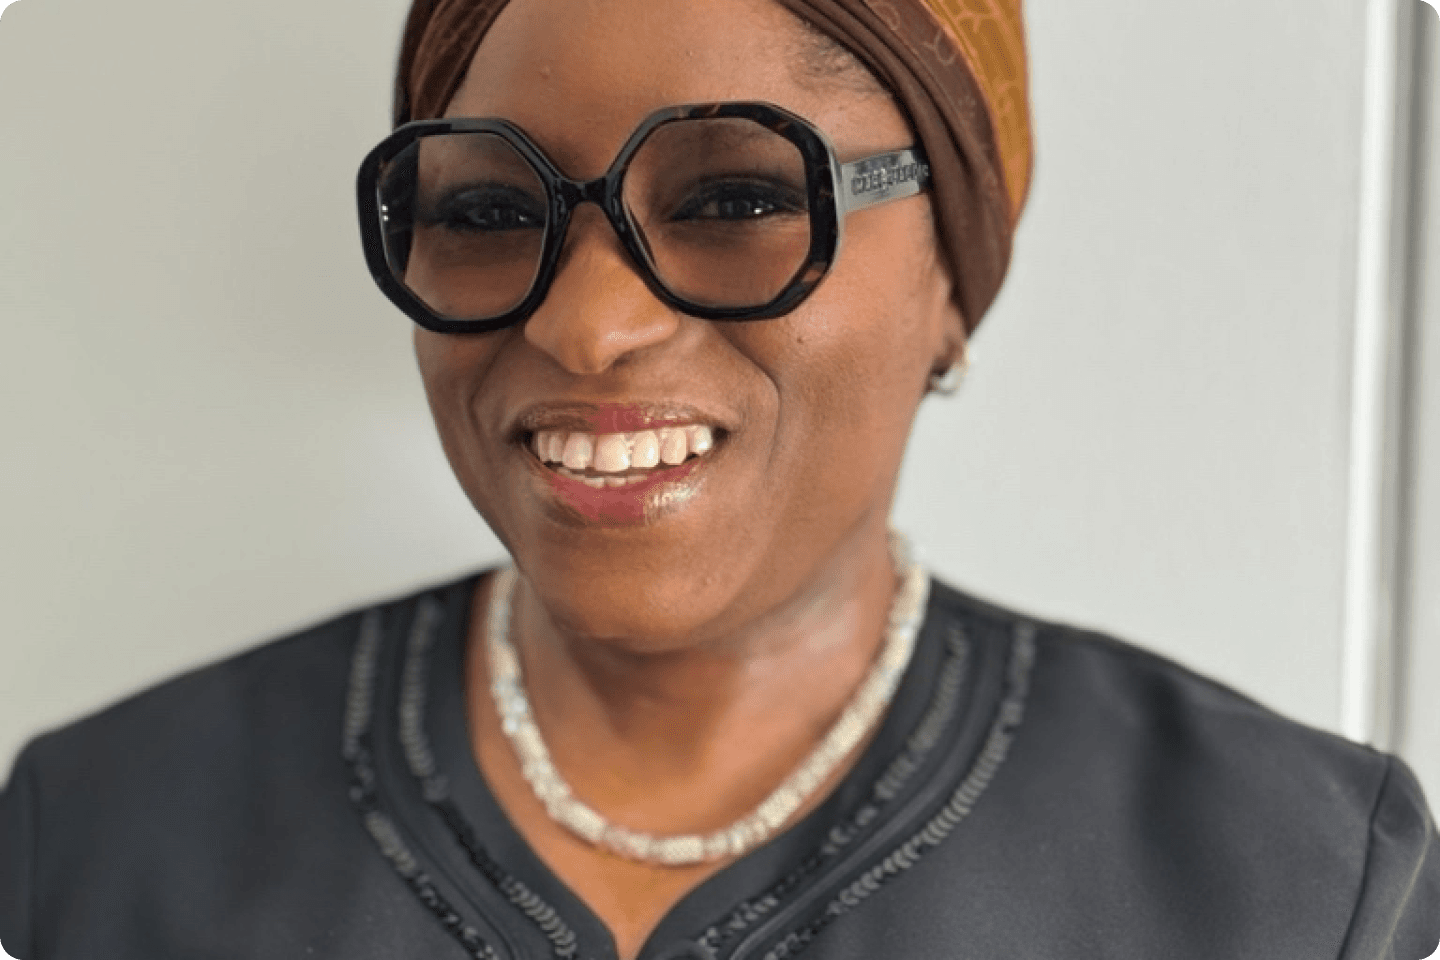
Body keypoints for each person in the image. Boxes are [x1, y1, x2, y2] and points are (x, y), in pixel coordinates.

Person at [1, 0, 1437, 957]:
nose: (584, 324)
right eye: (490, 211)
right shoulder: (105, 838)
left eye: (738, 198)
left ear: (955, 272)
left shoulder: (1292, 884)